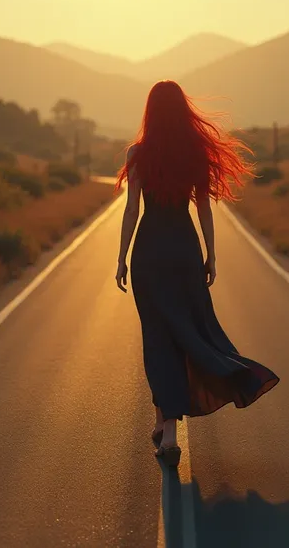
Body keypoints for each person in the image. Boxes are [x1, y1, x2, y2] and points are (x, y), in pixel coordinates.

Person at [115, 81, 279, 467]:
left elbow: (132, 210)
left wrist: (122, 256)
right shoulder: (194, 152)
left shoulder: (138, 152)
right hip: (185, 250)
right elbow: (204, 207)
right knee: (192, 331)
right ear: (183, 110)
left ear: (150, 112)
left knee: (158, 338)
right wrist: (211, 254)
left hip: (150, 252)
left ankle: (168, 431)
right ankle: (163, 422)